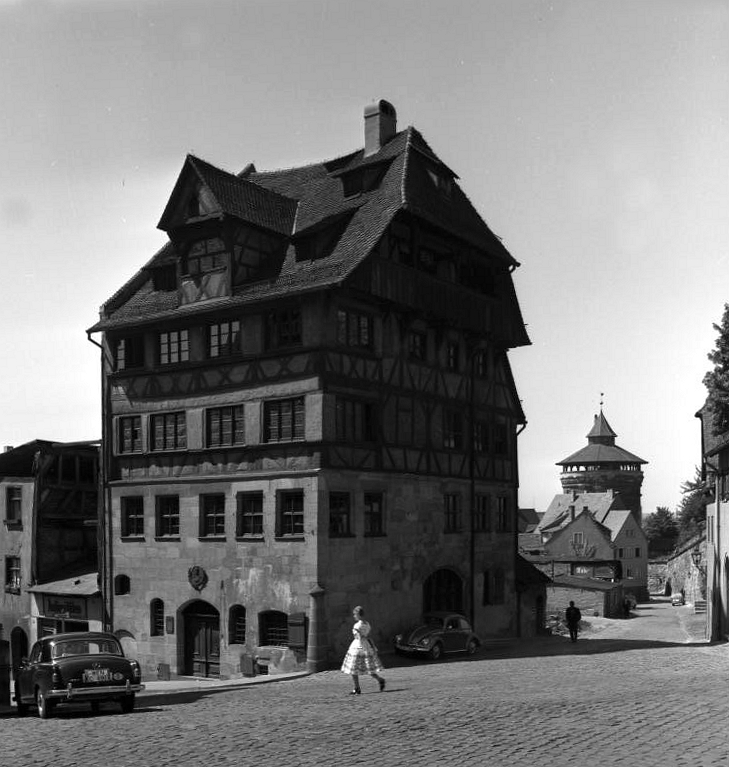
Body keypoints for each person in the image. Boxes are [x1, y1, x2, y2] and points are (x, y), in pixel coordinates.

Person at [341, 605, 386, 695]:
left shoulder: (357, 625)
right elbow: (367, 635)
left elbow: (358, 637)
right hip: (366, 645)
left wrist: (359, 634)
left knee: (353, 668)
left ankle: (357, 688)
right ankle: (380, 679)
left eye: (354, 614)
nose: (354, 616)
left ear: (358, 615)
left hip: (358, 646)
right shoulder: (367, 624)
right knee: (368, 668)